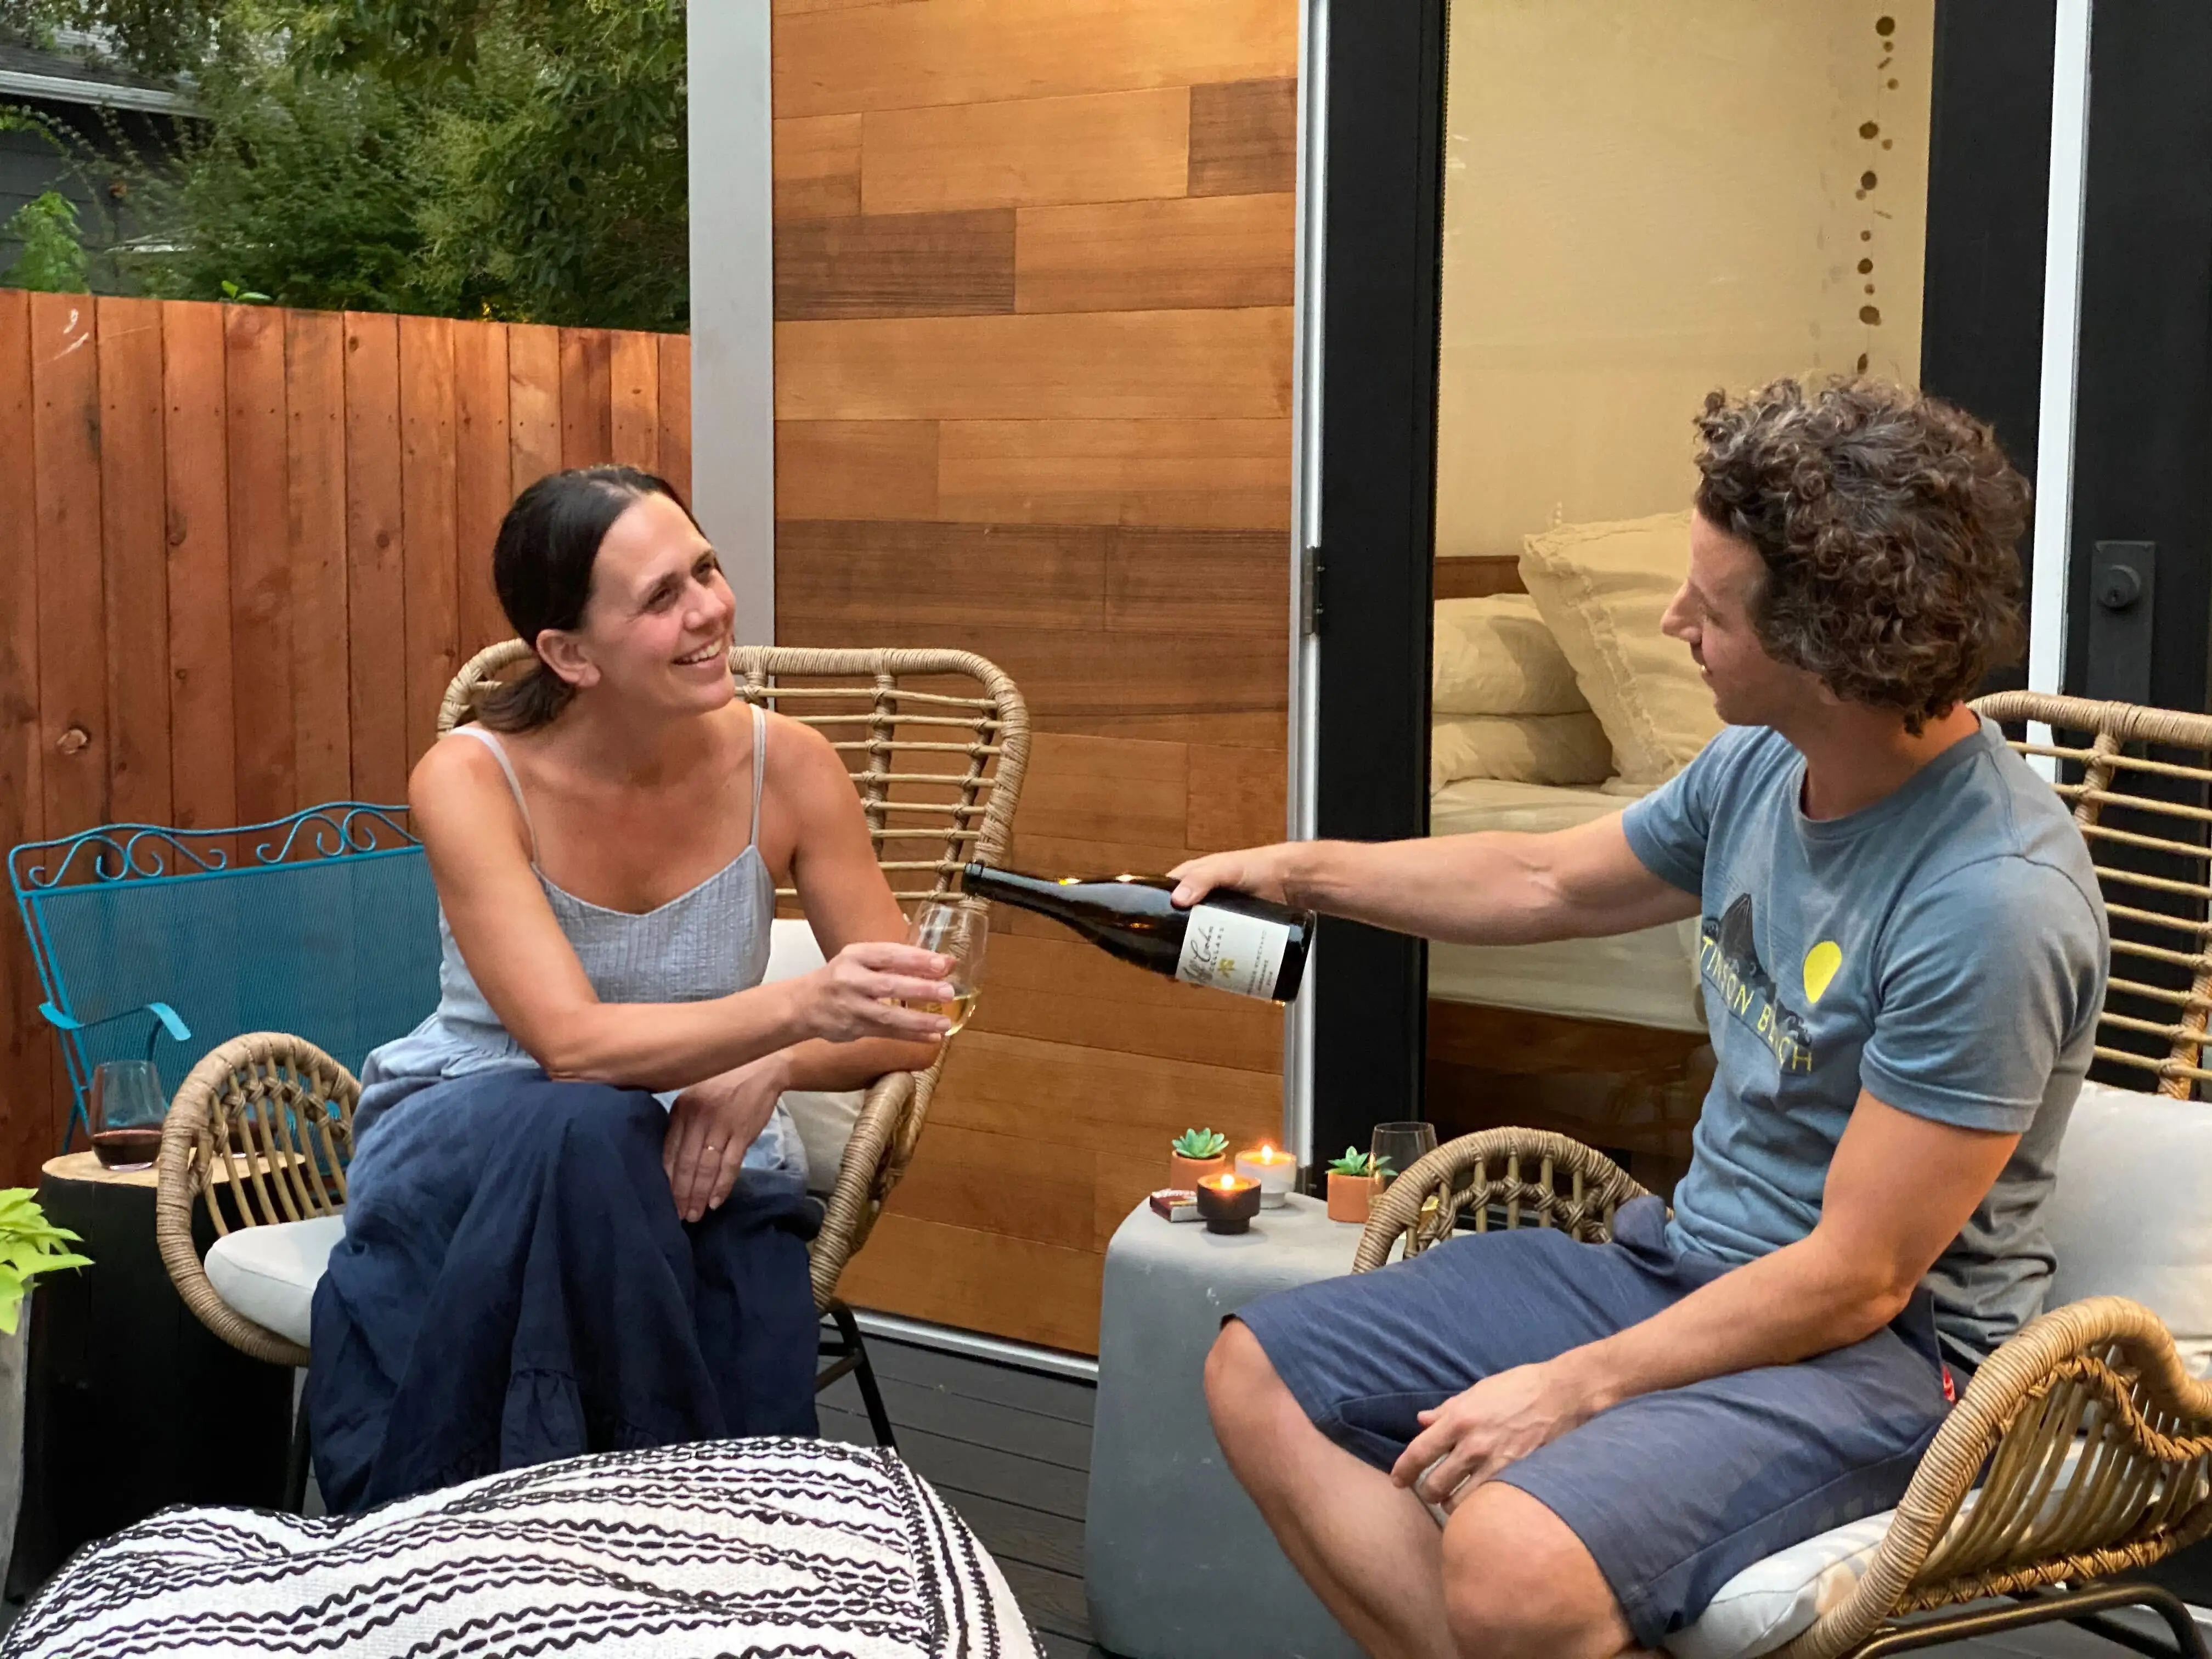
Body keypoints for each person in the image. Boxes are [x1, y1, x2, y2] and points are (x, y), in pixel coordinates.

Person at [1177, 379, 2109, 1659]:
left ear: (1834, 649)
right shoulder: (1764, 767)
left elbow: (1859, 1274)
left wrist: (1572, 1388)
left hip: (1893, 1361)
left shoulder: (1991, 900)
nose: (1677, 621)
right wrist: (1298, 874)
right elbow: (1544, 878)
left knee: (1511, 1556)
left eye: (1711, 611)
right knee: (1260, 1376)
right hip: (1683, 1266)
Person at [307, 466, 959, 1511]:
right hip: (474, 1133)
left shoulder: (787, 767)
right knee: (586, 1128)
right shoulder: (471, 778)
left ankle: (518, 1532)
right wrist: (789, 1012)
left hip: (684, 1157)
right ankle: (659, 1531)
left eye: (705, 568)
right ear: (569, 654)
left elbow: (914, 1020)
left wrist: (774, 1062)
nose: (709, 610)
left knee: (640, 1165)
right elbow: (568, 1045)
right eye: (661, 597)